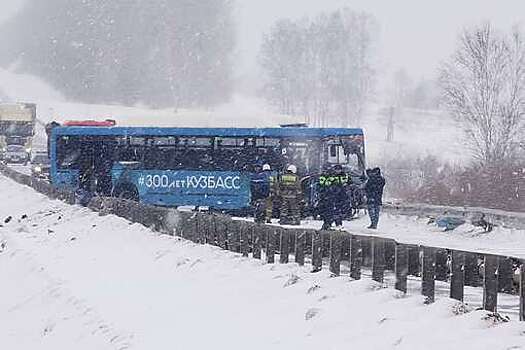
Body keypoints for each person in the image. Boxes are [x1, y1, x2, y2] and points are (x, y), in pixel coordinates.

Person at [318, 164, 350, 230]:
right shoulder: (330, 176)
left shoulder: (344, 175)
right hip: (331, 195)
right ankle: (328, 223)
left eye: (339, 169)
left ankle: (338, 223)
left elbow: (348, 182)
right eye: (336, 169)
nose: (337, 171)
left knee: (338, 210)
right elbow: (325, 184)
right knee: (330, 210)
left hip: (340, 196)